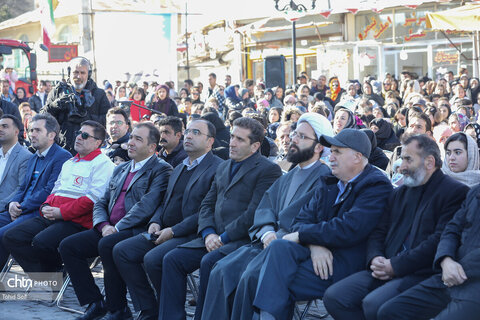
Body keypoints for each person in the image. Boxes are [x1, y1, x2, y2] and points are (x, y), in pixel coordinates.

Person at [244, 129, 392, 320]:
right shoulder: (330, 182)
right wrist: (315, 245)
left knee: (271, 282)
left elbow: (349, 228)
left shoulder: (376, 185)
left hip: (347, 264)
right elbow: (299, 222)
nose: (330, 156)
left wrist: (304, 236)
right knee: (279, 248)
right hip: (318, 258)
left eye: (337, 151)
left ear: (357, 157)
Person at [323, 134, 469, 320]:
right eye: (402, 159)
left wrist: (395, 266)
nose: (402, 166)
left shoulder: (454, 192)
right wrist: (375, 257)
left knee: (374, 304)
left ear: (430, 162)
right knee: (335, 297)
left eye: (408, 159)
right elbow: (379, 231)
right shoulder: (400, 192)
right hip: (386, 267)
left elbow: (438, 241)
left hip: (420, 273)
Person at [202, 113, 332, 320]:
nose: (293, 139)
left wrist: (276, 236)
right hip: (264, 242)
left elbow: (308, 220)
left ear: (319, 147)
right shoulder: (289, 175)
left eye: (302, 137)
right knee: (220, 270)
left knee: (250, 277)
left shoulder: (326, 178)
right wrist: (266, 232)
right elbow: (266, 208)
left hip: (291, 249)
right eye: (294, 134)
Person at [158, 117, 282, 320]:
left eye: (240, 139)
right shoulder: (224, 166)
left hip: (241, 241)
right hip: (212, 237)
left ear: (255, 146)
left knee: (209, 262)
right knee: (172, 259)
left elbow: (254, 214)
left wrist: (222, 237)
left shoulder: (268, 170)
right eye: (232, 136)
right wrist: (208, 233)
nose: (232, 142)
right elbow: (207, 204)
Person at [58, 122, 172, 320]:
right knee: (68, 246)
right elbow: (101, 201)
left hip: (137, 229)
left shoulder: (161, 170)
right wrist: (103, 225)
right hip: (108, 228)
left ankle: (118, 308)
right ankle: (95, 302)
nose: (131, 142)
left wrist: (116, 228)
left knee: (108, 244)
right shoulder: (121, 169)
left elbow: (146, 206)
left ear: (152, 147)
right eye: (132, 137)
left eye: (138, 139)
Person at [113, 119, 222, 320]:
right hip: (164, 229)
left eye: (196, 133)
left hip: (191, 233)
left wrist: (173, 231)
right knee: (122, 250)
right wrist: (156, 220)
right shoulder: (180, 166)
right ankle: (150, 309)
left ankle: (171, 314)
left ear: (210, 142)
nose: (188, 136)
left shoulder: (217, 168)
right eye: (188, 131)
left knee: (155, 259)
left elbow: (208, 211)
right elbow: (165, 201)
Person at [3, 120, 114, 276]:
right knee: (12, 236)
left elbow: (91, 200)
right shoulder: (70, 162)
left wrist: (61, 212)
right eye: (78, 133)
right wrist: (45, 206)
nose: (78, 137)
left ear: (97, 143)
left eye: (84, 135)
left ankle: (53, 276)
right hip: (52, 214)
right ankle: (47, 276)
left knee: (42, 242)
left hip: (76, 221)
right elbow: (55, 190)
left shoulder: (103, 163)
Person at [377, 184, 480, 320]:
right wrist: (445, 259)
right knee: (390, 311)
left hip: (474, 285)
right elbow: (451, 230)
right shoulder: (475, 192)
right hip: (447, 275)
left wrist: (455, 268)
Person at [0, 113, 70, 267]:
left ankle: (47, 275)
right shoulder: (34, 157)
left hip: (38, 212)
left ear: (51, 135)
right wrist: (13, 203)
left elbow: (49, 191)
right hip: (21, 209)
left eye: (37, 130)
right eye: (31, 130)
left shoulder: (62, 157)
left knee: (4, 235)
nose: (32, 134)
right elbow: (23, 187)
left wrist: (21, 207)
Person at [41, 57, 110, 155]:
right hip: (62, 149)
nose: (78, 76)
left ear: (89, 74)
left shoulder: (99, 94)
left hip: (90, 151)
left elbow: (107, 120)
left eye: (82, 73)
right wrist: (54, 106)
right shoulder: (58, 91)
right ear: (69, 72)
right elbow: (43, 119)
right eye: (75, 72)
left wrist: (87, 119)